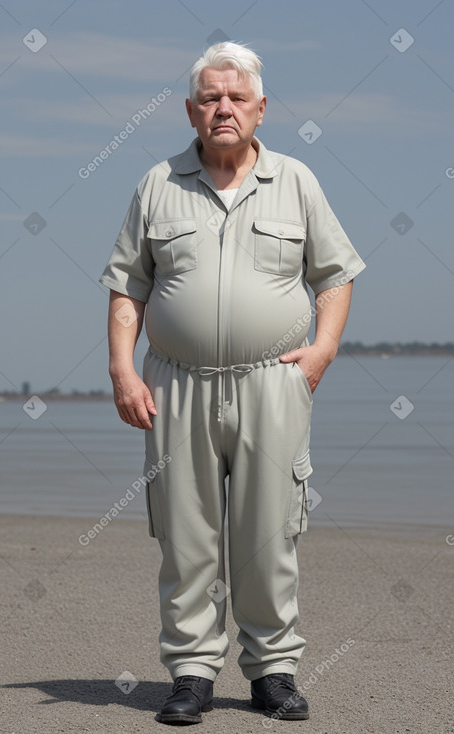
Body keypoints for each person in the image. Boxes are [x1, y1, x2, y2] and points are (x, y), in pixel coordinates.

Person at [99, 41, 366, 725]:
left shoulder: (297, 181)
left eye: (236, 97)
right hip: (175, 388)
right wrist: (123, 369)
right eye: (210, 98)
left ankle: (272, 671)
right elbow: (128, 287)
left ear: (259, 108)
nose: (223, 108)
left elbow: (333, 274)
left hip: (270, 385)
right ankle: (190, 671)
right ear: (192, 109)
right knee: (185, 535)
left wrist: (321, 353)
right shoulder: (157, 183)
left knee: (267, 534)